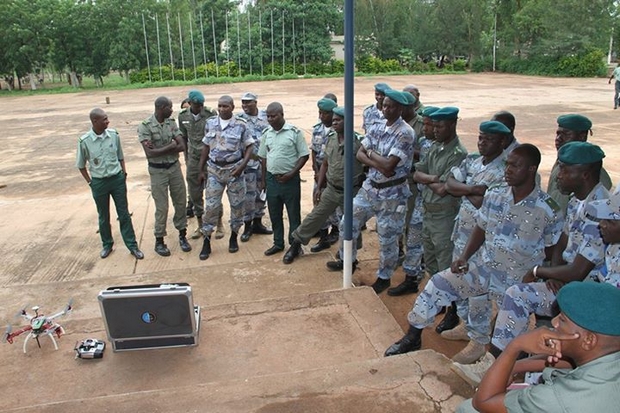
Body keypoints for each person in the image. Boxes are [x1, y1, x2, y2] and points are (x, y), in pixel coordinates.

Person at [385, 145, 563, 363]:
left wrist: (551, 274)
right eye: (507, 164)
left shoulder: (548, 208)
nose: (508, 169)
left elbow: (555, 245)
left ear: (531, 169)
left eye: (515, 165)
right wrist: (464, 257)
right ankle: (413, 337)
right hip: (486, 268)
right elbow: (481, 227)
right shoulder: (496, 195)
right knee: (439, 283)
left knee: (508, 336)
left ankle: (499, 368)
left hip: (516, 281)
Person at [453, 142, 612, 386]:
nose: (558, 175)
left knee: (517, 294)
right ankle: (508, 363)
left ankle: (493, 365)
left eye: (565, 170)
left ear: (585, 174)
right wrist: (555, 271)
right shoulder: (577, 199)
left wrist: (540, 270)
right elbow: (563, 240)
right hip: (568, 280)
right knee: (515, 294)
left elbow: (580, 270)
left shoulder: (600, 208)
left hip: (588, 289)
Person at [457, 281, 620, 413]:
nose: (554, 322)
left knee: (468, 409)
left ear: (589, 340)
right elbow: (574, 364)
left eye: (562, 320)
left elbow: (484, 402)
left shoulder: (558, 398)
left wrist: (515, 346)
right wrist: (515, 366)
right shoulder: (607, 353)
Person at [326, 89, 415, 293]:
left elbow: (388, 167)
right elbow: (359, 153)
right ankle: (349, 259)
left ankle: (384, 276)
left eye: (391, 106)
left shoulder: (405, 133)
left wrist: (372, 155)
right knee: (347, 222)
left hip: (392, 195)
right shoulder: (376, 126)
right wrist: (376, 158)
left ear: (400, 108)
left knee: (387, 238)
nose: (386, 109)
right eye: (384, 105)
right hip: (370, 189)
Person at [283, 106, 364, 264]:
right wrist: (319, 187)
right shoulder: (332, 138)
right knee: (315, 216)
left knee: (350, 225)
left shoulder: (358, 142)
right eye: (333, 120)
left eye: (338, 120)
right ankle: (296, 245)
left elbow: (367, 167)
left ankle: (349, 259)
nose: (334, 122)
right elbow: (325, 163)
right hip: (331, 189)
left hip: (350, 192)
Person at [412, 106, 468, 331]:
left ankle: (453, 312)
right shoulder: (435, 147)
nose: (434, 130)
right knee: (432, 262)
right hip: (428, 212)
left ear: (452, 125)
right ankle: (440, 302)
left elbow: (445, 190)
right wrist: (433, 178)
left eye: (440, 126)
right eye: (433, 126)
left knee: (447, 267)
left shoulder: (458, 154)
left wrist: (428, 180)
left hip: (444, 217)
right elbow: (417, 173)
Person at [76, 108, 144, 260]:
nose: (107, 121)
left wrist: (123, 173)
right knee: (103, 216)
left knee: (124, 214)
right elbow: (81, 165)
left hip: (117, 179)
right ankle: (107, 244)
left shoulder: (114, 135)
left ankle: (132, 245)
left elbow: (120, 156)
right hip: (99, 182)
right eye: (104, 119)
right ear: (95, 121)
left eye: (107, 118)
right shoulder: (85, 141)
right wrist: (90, 183)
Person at [388, 106, 439, 296]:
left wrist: (426, 177)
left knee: (437, 251)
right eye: (424, 123)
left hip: (440, 209)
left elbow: (441, 180)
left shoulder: (452, 151)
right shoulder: (425, 143)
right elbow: (418, 173)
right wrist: (428, 178)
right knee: (414, 241)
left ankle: (440, 292)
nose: (424, 128)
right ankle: (411, 278)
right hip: (421, 201)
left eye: (429, 125)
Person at [197, 95, 253, 260]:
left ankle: (234, 236)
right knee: (211, 206)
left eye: (225, 106)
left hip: (235, 171)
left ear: (232, 107)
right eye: (219, 106)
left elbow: (250, 147)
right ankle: (206, 240)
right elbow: (206, 147)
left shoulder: (241, 125)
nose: (222, 109)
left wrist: (242, 166)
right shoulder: (211, 123)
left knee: (237, 205)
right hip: (214, 170)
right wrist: (201, 169)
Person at [138, 96, 190, 257]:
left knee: (180, 202)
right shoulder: (145, 126)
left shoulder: (171, 123)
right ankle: (159, 240)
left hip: (174, 168)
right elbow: (150, 153)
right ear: (161, 108)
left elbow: (182, 145)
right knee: (162, 207)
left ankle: (182, 235)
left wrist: (162, 149)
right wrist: (171, 146)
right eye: (169, 107)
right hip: (157, 171)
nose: (172, 110)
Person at [258, 102, 309, 256]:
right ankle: (278, 243)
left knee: (293, 214)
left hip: (290, 180)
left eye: (273, 116)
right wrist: (264, 180)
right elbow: (263, 158)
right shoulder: (267, 133)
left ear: (282, 114)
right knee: (274, 213)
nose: (270, 119)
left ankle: (294, 246)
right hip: (272, 180)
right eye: (268, 116)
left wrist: (292, 173)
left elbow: (304, 155)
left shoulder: (294, 132)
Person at [177, 90, 221, 240]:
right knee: (195, 194)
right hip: (193, 160)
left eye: (201, 105)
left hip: (210, 158)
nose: (200, 107)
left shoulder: (210, 114)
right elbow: (183, 136)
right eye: (197, 105)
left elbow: (217, 135)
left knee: (214, 192)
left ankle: (219, 223)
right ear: (190, 103)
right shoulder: (182, 116)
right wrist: (186, 155)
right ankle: (200, 224)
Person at [547, 114, 612, 213]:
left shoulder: (592, 171)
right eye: (558, 134)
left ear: (582, 136)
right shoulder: (561, 163)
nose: (558, 138)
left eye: (566, 134)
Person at [237, 92, 273, 242]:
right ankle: (247, 226)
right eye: (243, 103)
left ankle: (258, 223)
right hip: (249, 163)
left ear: (255, 103)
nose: (245, 105)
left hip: (265, 162)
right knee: (248, 196)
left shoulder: (266, 116)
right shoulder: (239, 119)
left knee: (262, 192)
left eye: (248, 102)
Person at [309, 97, 340, 253]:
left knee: (335, 207)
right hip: (320, 171)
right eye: (320, 112)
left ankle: (335, 231)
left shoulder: (339, 130)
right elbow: (314, 151)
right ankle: (323, 236)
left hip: (333, 174)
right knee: (319, 203)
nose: (321, 116)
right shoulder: (317, 129)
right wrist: (315, 171)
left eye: (325, 113)